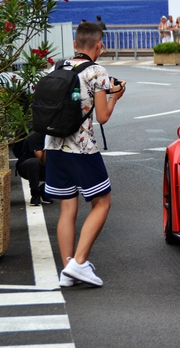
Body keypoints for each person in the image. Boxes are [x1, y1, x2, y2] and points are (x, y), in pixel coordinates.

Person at [44, 22, 126, 288]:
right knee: (102, 202)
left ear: (76, 44)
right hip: (81, 147)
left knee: (67, 208)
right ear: (99, 46)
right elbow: (102, 116)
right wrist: (115, 97)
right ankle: (79, 263)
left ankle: (67, 269)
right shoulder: (97, 72)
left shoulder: (58, 67)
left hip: (53, 145)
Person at [16, 131, 51, 206]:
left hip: (47, 166)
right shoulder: (35, 135)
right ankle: (35, 194)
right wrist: (50, 145)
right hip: (27, 167)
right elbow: (42, 159)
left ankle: (44, 189)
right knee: (33, 162)